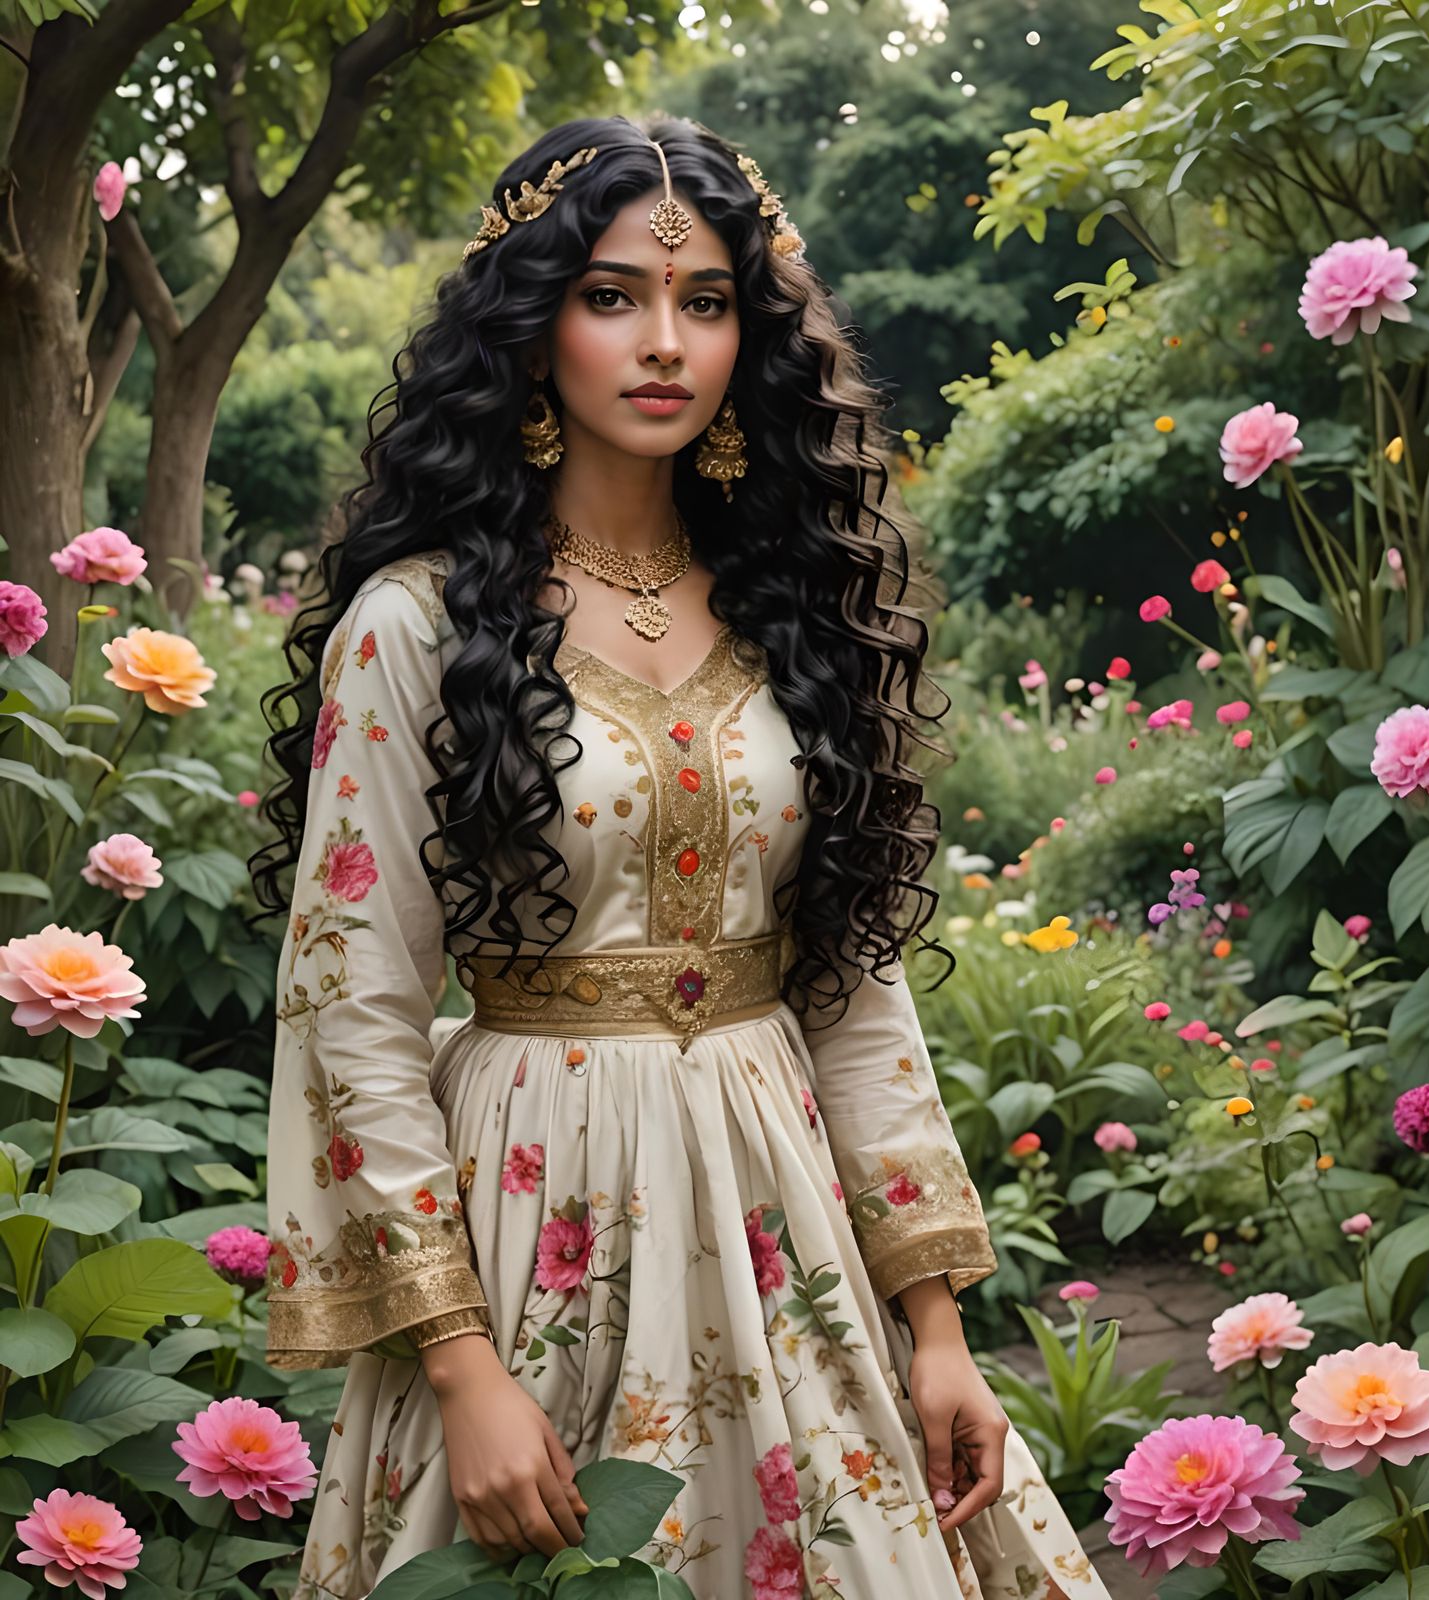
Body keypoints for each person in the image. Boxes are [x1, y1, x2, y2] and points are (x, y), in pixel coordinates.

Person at [253, 112, 1108, 1600]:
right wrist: (459, 1370)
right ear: (528, 326)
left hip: (786, 1218)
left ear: (746, 335)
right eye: (612, 296)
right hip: (536, 1227)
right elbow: (353, 1008)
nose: (665, 340)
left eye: (704, 300)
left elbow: (851, 985)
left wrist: (940, 1329)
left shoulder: (788, 610)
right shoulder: (417, 624)